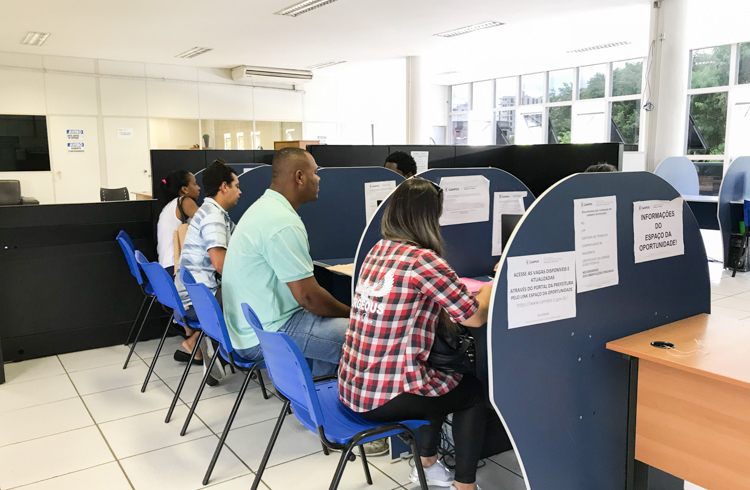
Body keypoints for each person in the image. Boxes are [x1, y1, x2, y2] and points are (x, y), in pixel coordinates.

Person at [338, 178, 492, 490]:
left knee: (436, 375)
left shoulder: (378, 250)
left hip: (352, 386)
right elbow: (475, 316)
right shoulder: (422, 260)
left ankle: (428, 465)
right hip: (383, 397)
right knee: (472, 393)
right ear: (428, 218)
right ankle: (465, 485)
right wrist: (491, 286)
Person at [223, 147, 350, 378]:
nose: (319, 178)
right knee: (364, 337)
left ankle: (320, 387)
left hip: (249, 329)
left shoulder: (264, 207)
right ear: (300, 177)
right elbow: (308, 298)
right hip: (266, 334)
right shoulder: (281, 221)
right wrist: (351, 314)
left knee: (331, 323)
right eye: (315, 172)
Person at [174, 160, 242, 383]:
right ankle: (222, 353)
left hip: (193, 296)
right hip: (199, 302)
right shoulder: (213, 217)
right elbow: (220, 264)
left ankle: (209, 346)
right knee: (252, 295)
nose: (240, 192)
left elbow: (240, 242)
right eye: (236, 186)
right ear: (224, 186)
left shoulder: (211, 212)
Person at [156, 170, 200, 277]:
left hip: (165, 268)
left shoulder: (169, 206)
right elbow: (207, 222)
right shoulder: (184, 201)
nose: (198, 188)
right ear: (184, 189)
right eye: (194, 184)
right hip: (175, 268)